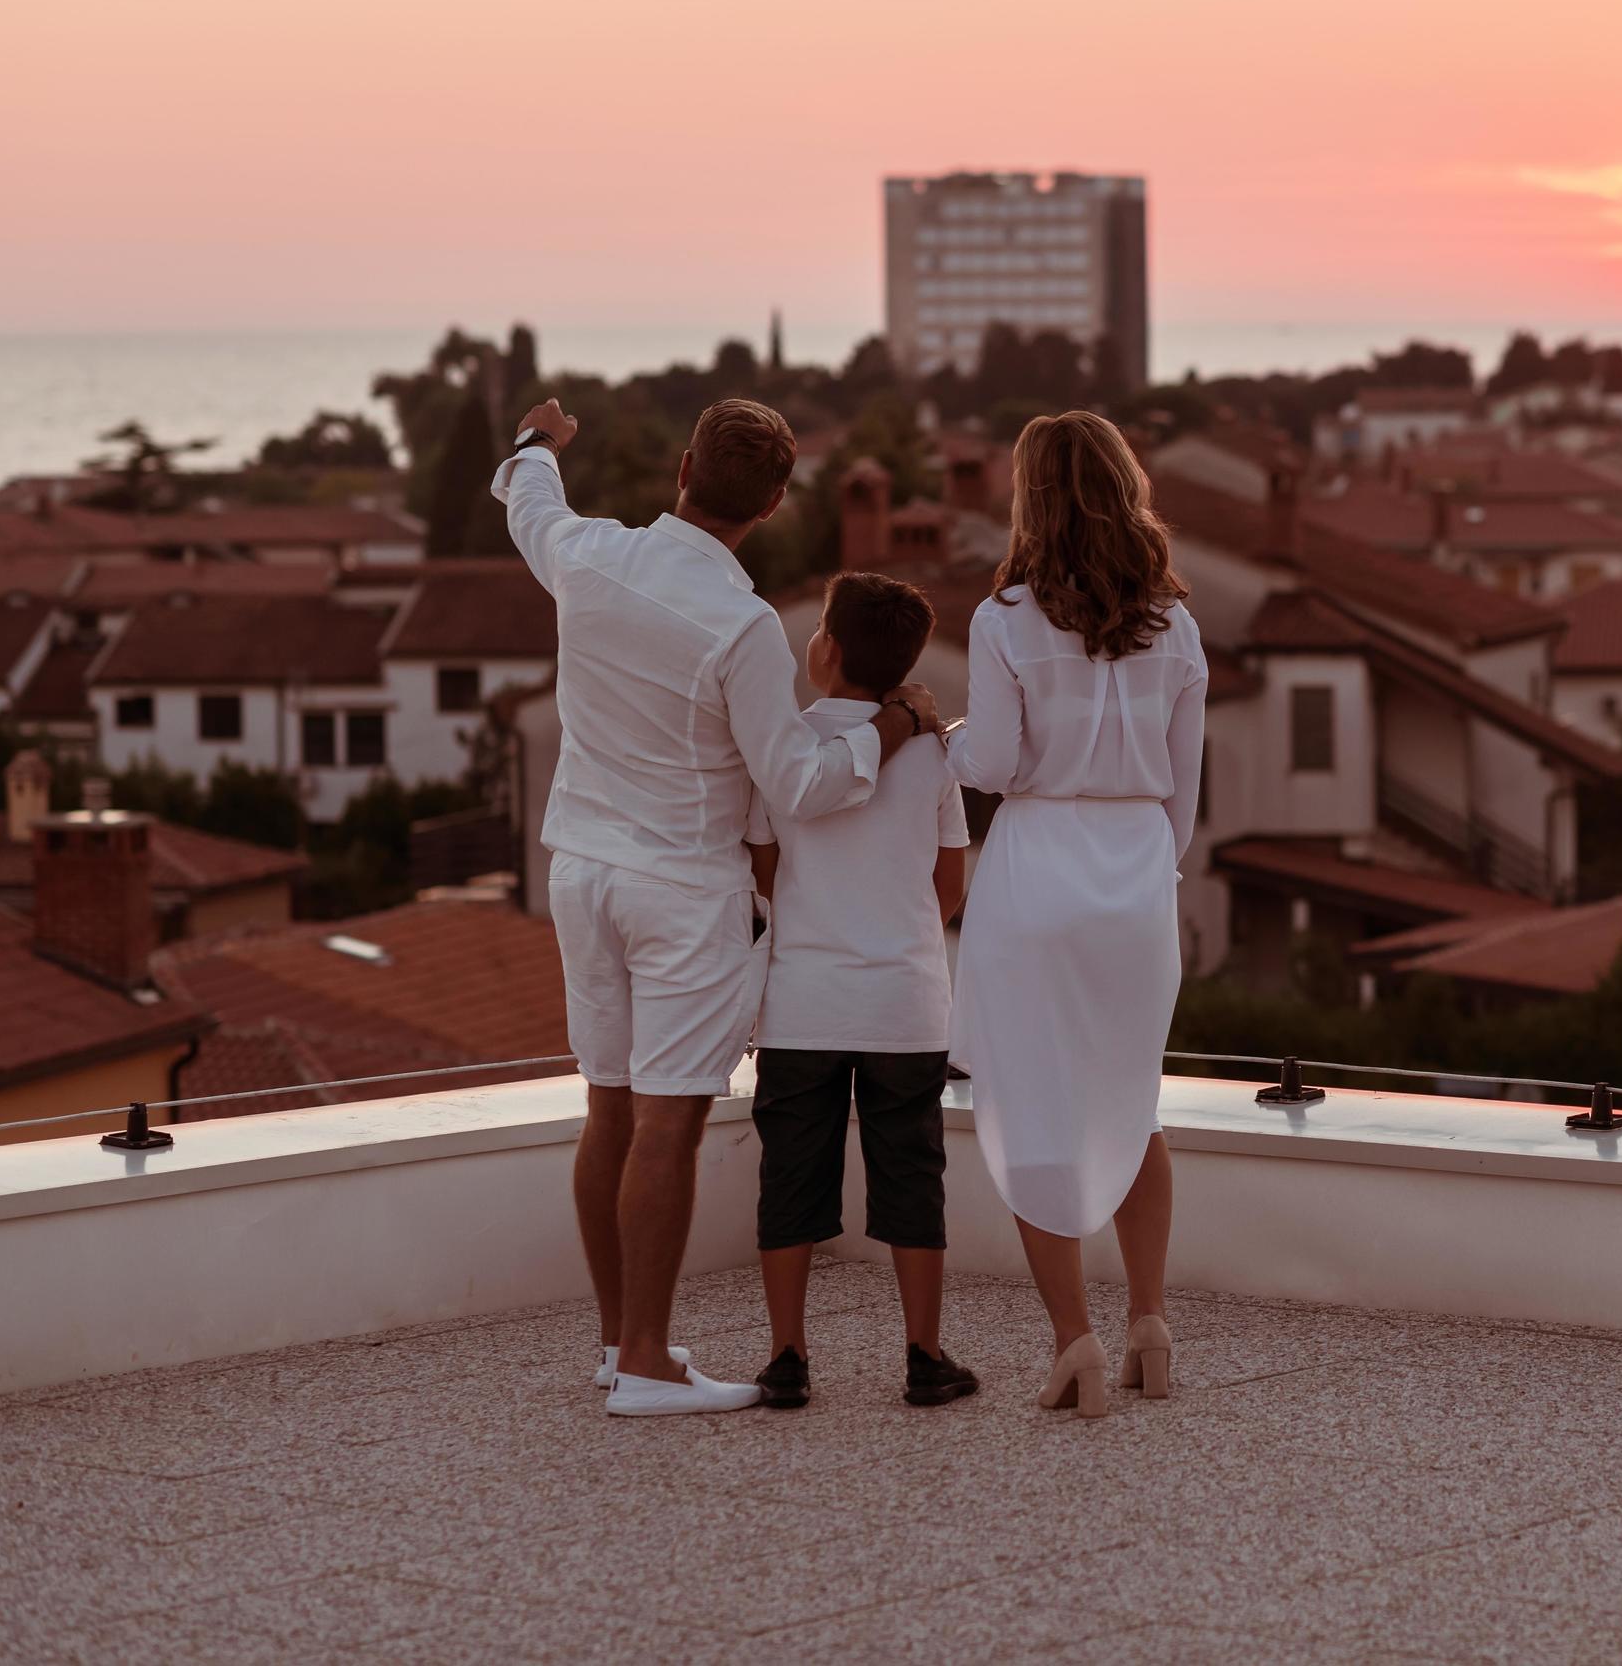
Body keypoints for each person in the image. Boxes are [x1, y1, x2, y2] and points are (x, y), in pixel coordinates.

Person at [495, 396, 939, 1418]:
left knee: (607, 1104)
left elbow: (529, 502)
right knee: (669, 1120)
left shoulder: (591, 556)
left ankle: (620, 1344)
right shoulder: (742, 627)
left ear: (684, 465)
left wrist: (537, 445)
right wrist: (888, 732)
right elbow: (797, 784)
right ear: (775, 503)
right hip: (680, 889)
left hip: (581, 870)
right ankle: (647, 1360)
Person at [949, 410, 1206, 1419]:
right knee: (1130, 1095)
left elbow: (999, 765)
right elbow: (1184, 796)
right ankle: (1150, 1320)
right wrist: (1142, 860)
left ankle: (1076, 1344)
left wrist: (950, 735)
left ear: (1032, 498)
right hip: (1138, 872)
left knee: (1037, 1104)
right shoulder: (1174, 623)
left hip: (1039, 869)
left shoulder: (1004, 617)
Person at [741, 571, 978, 1412]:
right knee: (912, 1175)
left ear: (828, 649)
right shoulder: (934, 751)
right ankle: (923, 1355)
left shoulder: (787, 747)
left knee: (790, 1176)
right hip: (906, 1002)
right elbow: (949, 883)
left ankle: (787, 1358)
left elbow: (765, 872)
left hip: (804, 1001)